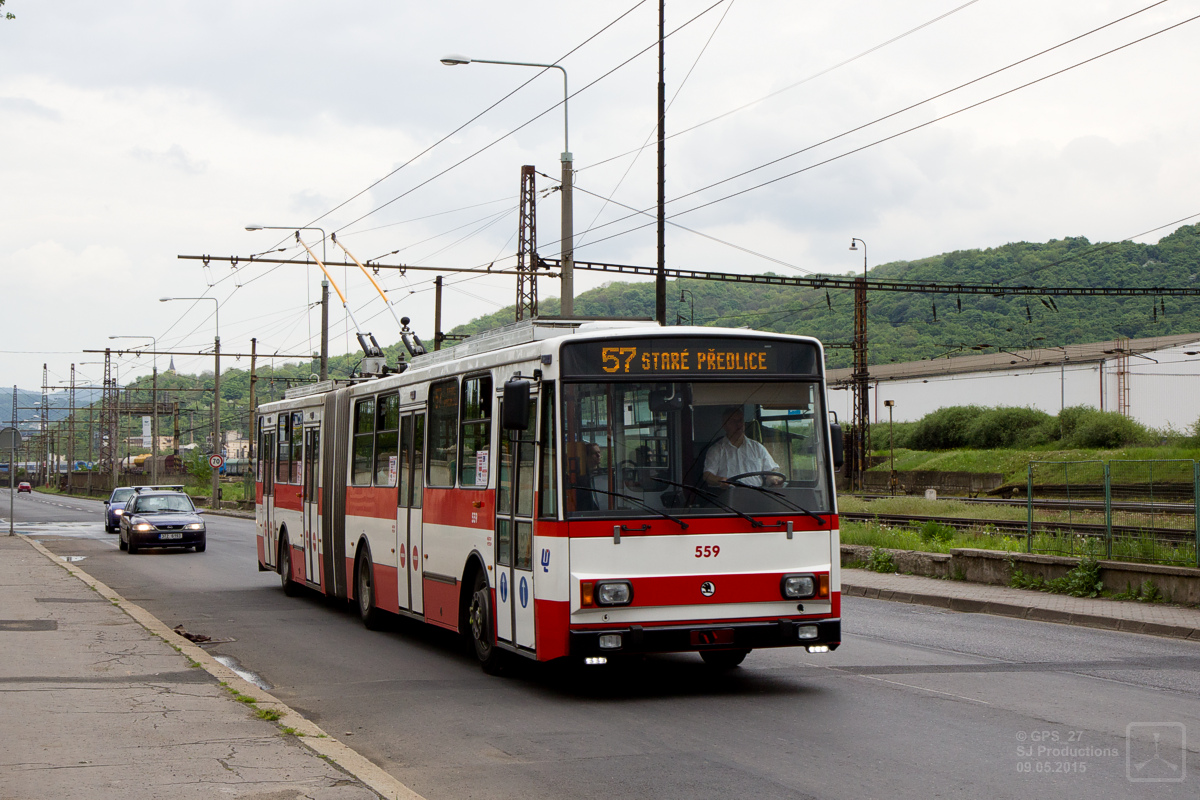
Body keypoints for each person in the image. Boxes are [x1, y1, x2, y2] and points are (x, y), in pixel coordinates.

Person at [703, 406, 783, 487]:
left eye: (740, 420)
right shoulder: (716, 449)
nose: (739, 424)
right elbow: (707, 475)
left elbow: (771, 470)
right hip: (727, 495)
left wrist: (773, 478)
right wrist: (721, 480)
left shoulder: (757, 448)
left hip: (755, 494)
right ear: (724, 425)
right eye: (733, 421)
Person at [573, 442, 604, 511]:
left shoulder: (603, 474)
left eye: (599, 452)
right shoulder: (580, 476)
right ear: (586, 456)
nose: (598, 455)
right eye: (594, 453)